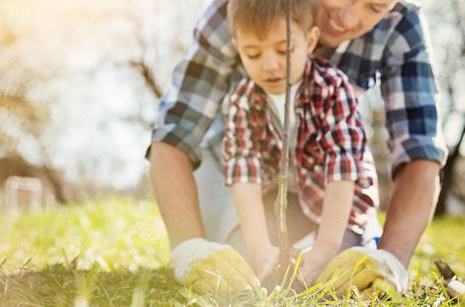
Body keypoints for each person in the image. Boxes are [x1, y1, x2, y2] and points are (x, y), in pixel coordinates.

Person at [149, 0, 447, 295]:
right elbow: (175, 134)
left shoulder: (396, 29)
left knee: (348, 258)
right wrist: (189, 247)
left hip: (331, 179)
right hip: (242, 173)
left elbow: (419, 151)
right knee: (242, 258)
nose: (347, 16)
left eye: (374, 7)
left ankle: (358, 241)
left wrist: (391, 258)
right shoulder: (238, 10)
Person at [222, 0, 379, 287]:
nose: (270, 65)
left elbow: (341, 172)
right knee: (239, 258)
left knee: (335, 269)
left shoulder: (332, 88)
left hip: (339, 204)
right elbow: (244, 179)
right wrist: (259, 249)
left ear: (310, 41)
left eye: (284, 50)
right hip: (287, 201)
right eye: (253, 54)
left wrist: (326, 246)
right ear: (238, 48)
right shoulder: (241, 102)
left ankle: (364, 240)